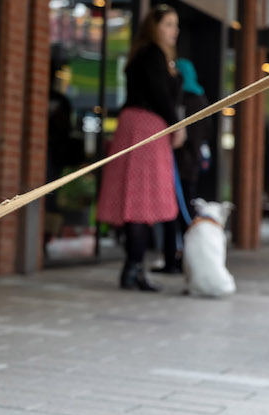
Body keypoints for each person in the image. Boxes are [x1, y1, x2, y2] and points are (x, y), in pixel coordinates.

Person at [97, 4, 185, 291]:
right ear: (155, 26)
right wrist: (177, 124)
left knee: (137, 201)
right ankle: (133, 269)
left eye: (176, 24)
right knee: (140, 202)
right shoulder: (153, 54)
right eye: (169, 24)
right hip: (147, 129)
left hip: (136, 127)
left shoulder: (145, 54)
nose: (175, 30)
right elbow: (161, 96)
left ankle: (133, 268)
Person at [154, 57, 212, 274]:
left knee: (178, 214)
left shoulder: (184, 100)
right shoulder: (201, 98)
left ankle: (176, 260)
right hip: (191, 164)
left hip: (180, 165)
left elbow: (181, 137)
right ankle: (181, 259)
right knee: (181, 212)